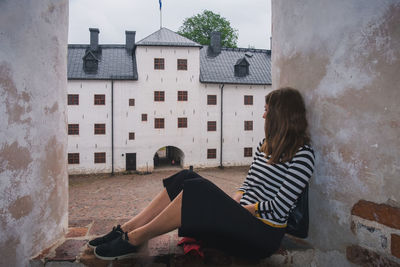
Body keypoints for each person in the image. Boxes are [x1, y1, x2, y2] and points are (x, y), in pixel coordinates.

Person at [89, 87, 315, 260]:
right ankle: (128, 229)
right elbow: (249, 183)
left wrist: (241, 210)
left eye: (267, 111)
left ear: (280, 115)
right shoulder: (265, 145)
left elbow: (279, 207)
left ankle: (136, 238)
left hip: (261, 235)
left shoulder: (303, 155)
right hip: (241, 219)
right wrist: (235, 200)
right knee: (185, 177)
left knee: (198, 190)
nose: (263, 116)